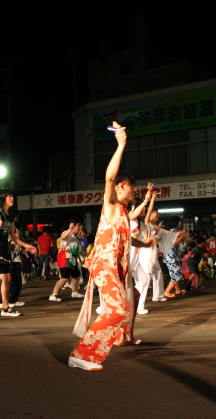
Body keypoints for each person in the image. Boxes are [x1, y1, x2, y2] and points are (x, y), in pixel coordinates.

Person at [69, 121, 156, 371]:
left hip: (117, 268)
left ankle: (121, 337)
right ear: (120, 188)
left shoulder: (125, 215)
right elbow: (108, 176)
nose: (135, 190)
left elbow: (127, 238)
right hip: (104, 265)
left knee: (131, 300)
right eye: (132, 186)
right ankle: (83, 354)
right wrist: (121, 145)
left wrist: (144, 242)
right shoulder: (110, 205)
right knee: (119, 308)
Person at [0, 189, 37, 321]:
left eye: (12, 196)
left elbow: (13, 237)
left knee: (7, 279)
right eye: (9, 196)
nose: (12, 198)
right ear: (3, 198)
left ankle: (5, 307)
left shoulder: (10, 216)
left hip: (4, 249)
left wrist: (27, 246)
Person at [49, 221, 84, 301]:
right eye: (79, 227)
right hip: (65, 257)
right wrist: (70, 229)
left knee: (76, 276)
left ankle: (74, 292)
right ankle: (54, 295)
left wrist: (90, 254)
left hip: (72, 258)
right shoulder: (68, 233)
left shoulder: (75, 238)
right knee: (65, 278)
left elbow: (80, 250)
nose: (79, 230)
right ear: (73, 226)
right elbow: (62, 237)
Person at [162, 215, 188, 298]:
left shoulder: (173, 231)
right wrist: (182, 235)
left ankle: (178, 290)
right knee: (176, 275)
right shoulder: (173, 232)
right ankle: (166, 292)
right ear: (178, 222)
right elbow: (175, 243)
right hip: (171, 257)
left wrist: (183, 235)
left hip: (170, 256)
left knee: (175, 273)